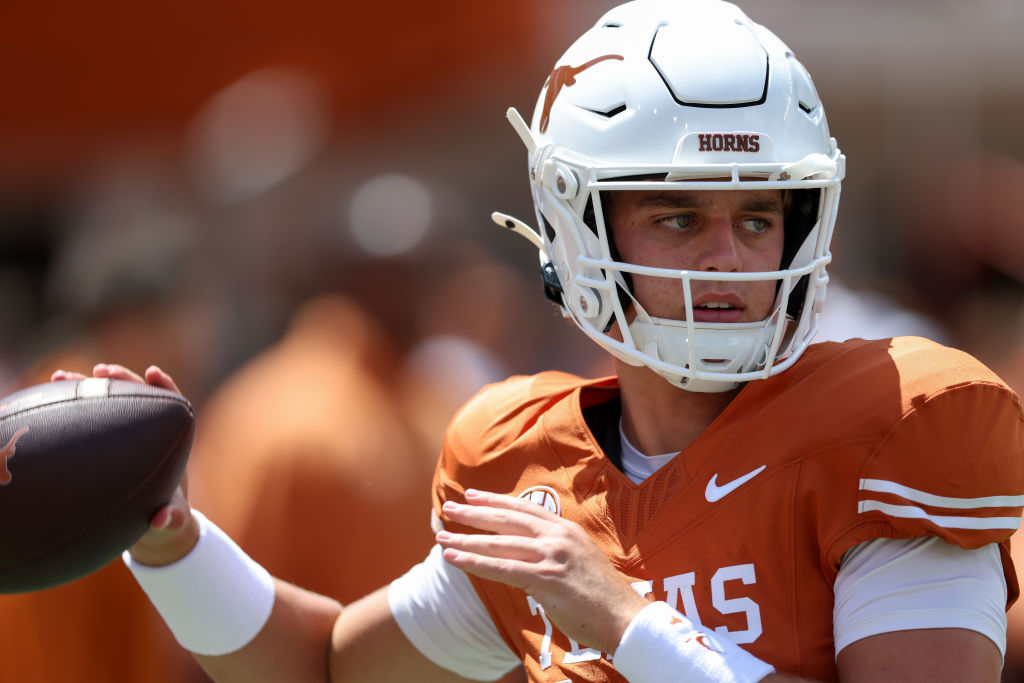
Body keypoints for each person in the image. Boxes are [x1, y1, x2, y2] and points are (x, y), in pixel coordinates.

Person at [53, 1, 1023, 681]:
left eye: (760, 217)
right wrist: (173, 539)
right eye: (679, 218)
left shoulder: (896, 421)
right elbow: (319, 668)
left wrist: (627, 621)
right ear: (578, 228)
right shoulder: (531, 463)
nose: (729, 256)